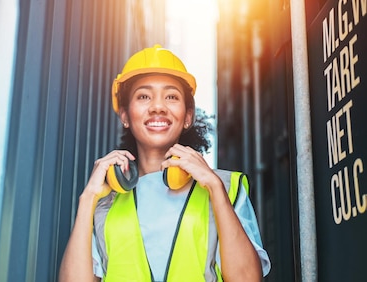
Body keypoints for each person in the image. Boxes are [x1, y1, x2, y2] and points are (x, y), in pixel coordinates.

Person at [59, 45, 271, 281]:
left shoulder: (225, 187)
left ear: (188, 115)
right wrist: (87, 198)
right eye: (143, 96)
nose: (158, 106)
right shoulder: (104, 199)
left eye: (171, 96)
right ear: (125, 116)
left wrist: (214, 188)